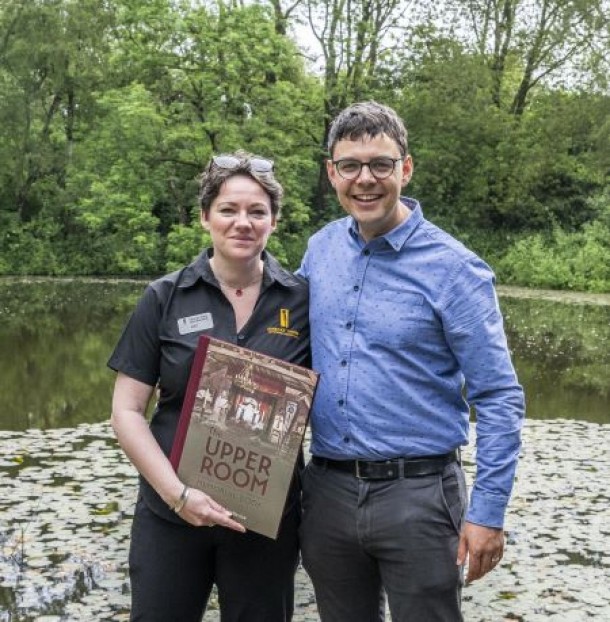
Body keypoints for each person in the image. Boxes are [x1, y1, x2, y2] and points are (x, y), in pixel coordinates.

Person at [297, 101, 525, 621]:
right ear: (332, 172)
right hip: (327, 490)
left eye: (381, 164)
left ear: (406, 168)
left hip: (419, 497)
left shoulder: (456, 270)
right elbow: (283, 348)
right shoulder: (320, 250)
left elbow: (498, 396)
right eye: (350, 165)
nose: (365, 179)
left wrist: (488, 513)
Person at [108, 151, 310, 622]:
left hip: (264, 524)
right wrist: (177, 494)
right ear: (205, 218)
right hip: (170, 515)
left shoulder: (303, 301)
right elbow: (126, 411)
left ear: (274, 221)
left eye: (257, 211)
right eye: (228, 209)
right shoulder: (164, 296)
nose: (243, 222)